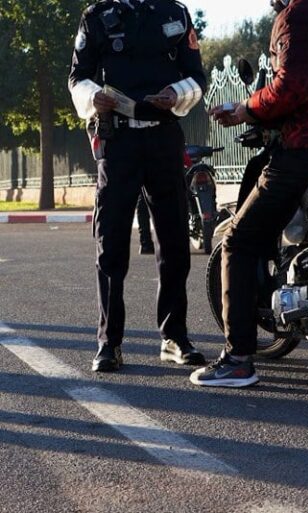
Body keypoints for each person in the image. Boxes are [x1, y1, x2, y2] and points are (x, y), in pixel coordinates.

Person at [193, 0, 308, 388]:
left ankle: (237, 359)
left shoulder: (296, 17)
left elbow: (292, 88)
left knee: (239, 240)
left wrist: (245, 109)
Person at [69, 0, 207, 372]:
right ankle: (109, 343)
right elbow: (77, 76)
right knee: (111, 242)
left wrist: (177, 94)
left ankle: (174, 337)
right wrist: (92, 97)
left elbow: (197, 76)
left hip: (164, 136)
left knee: (174, 240)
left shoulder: (174, 13)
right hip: (118, 141)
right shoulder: (97, 17)